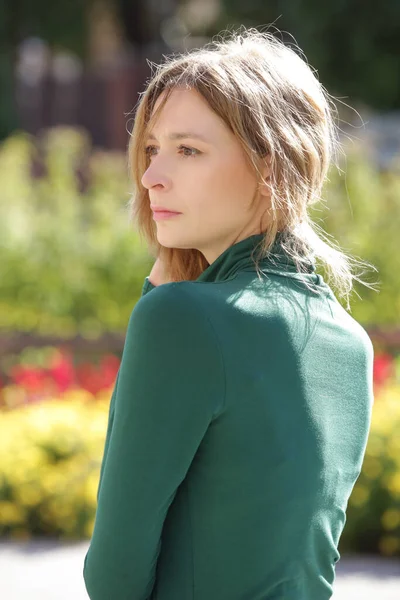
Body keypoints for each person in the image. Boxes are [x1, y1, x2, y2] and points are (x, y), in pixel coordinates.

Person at [83, 26, 376, 600]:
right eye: (151, 148)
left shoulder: (180, 318)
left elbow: (112, 580)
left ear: (271, 166)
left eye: (188, 150)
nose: (150, 178)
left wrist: (155, 300)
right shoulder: (351, 342)